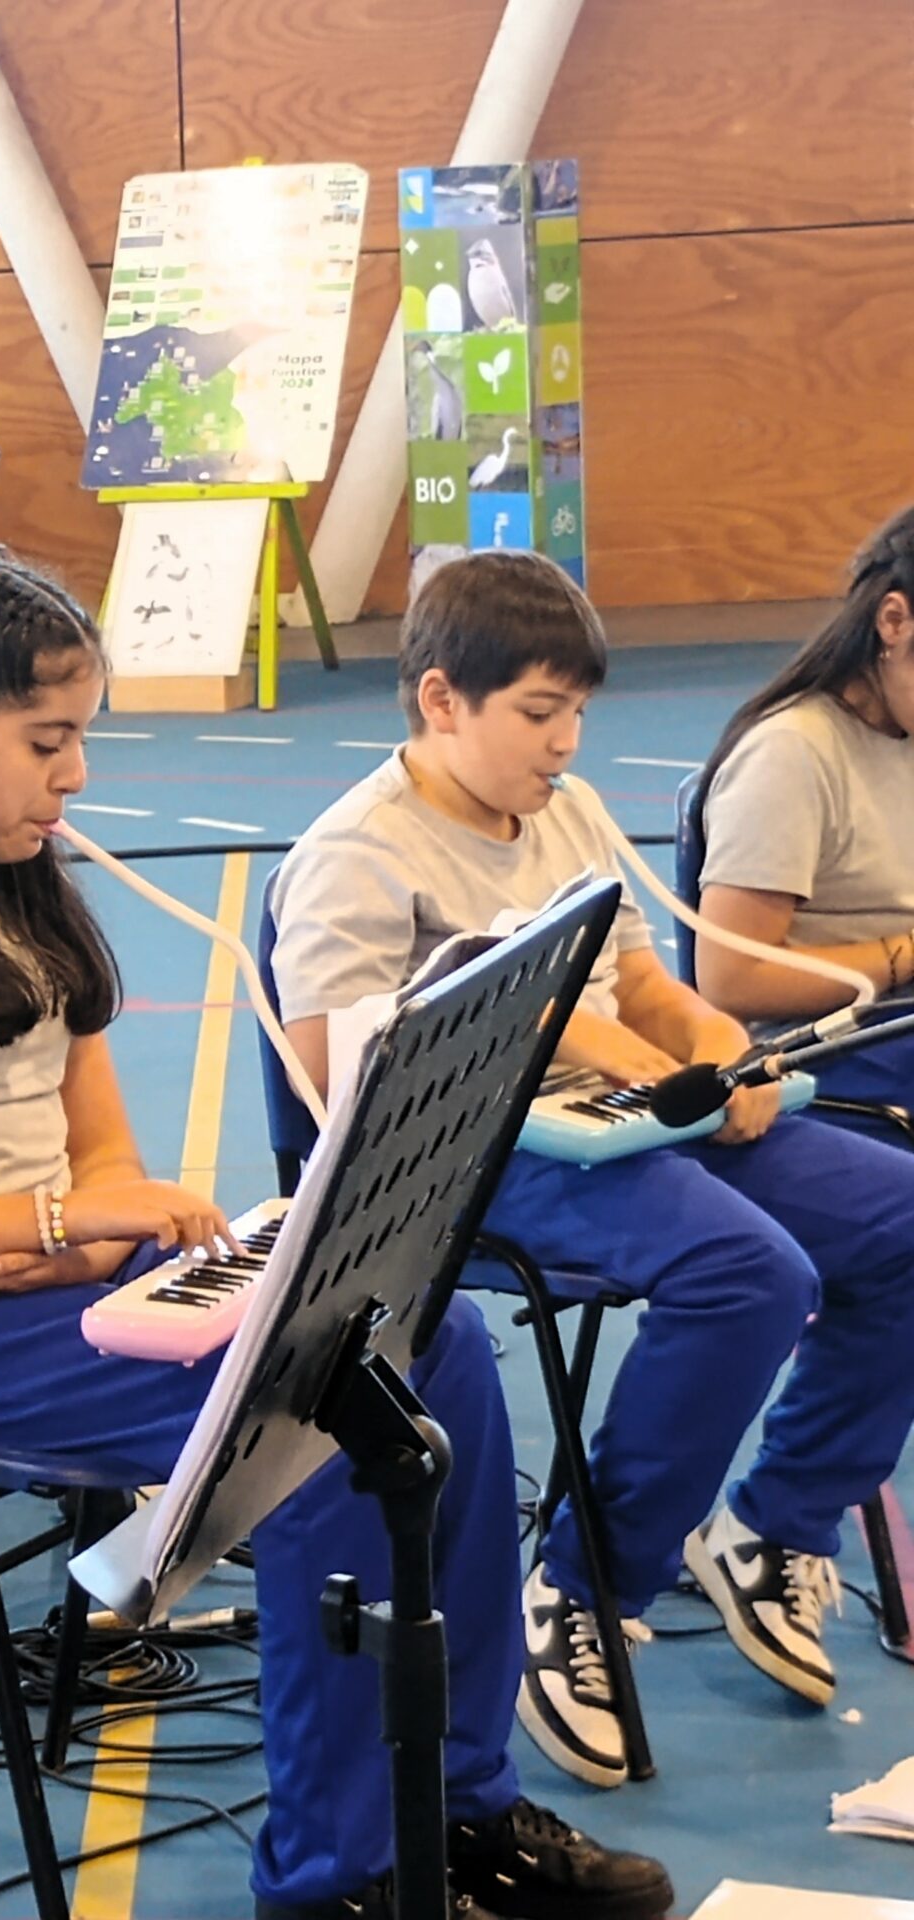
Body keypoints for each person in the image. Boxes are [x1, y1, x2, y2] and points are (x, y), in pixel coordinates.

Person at [0, 543, 672, 1920]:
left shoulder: (15, 877)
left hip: (51, 1284)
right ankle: (335, 1878)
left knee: (436, 1339)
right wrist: (53, 1219)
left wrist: (82, 1234)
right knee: (314, 1412)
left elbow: (99, 1145)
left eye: (80, 739)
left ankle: (458, 1805)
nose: (74, 776)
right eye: (46, 741)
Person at [271, 550, 914, 1791]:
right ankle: (580, 1588)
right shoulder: (356, 853)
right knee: (748, 1274)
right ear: (440, 699)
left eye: (575, 711)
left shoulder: (560, 810)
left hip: (624, 1124)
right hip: (470, 1162)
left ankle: (773, 1527)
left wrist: (722, 1053)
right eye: (537, 712)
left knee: (900, 1220)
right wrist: (582, 1044)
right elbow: (327, 1072)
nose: (565, 742)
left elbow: (644, 983)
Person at [694, 503, 914, 1123]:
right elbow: (732, 979)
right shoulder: (791, 753)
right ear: (894, 621)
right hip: (829, 1044)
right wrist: (904, 952)